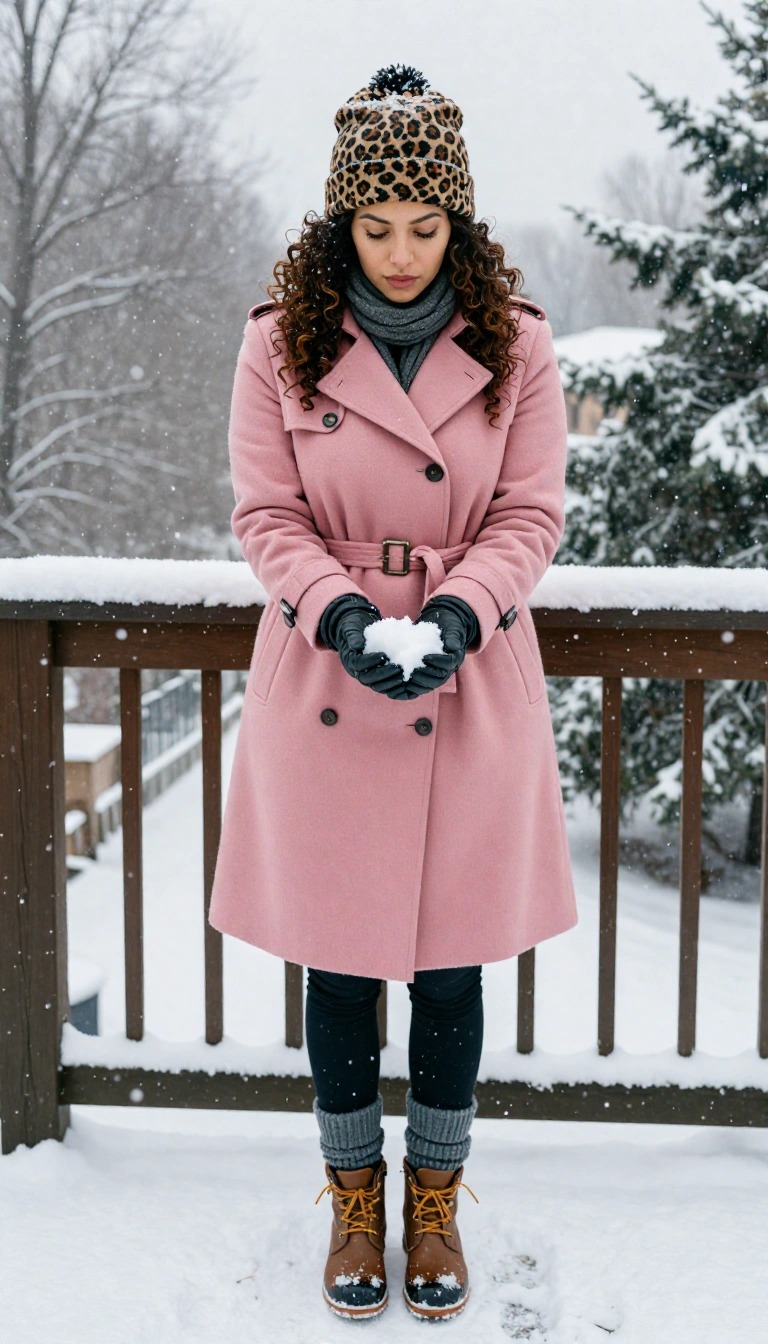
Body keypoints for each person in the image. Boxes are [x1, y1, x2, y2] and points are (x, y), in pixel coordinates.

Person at [208, 62, 578, 1322]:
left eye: (427, 228)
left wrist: (466, 610)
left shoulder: (517, 345)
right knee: (343, 964)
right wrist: (344, 613)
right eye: (379, 227)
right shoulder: (282, 343)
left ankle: (436, 1199)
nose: (405, 252)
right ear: (341, 224)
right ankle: (353, 1193)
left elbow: (529, 510)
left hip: (473, 676)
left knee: (457, 966)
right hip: (329, 670)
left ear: (458, 224)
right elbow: (266, 512)